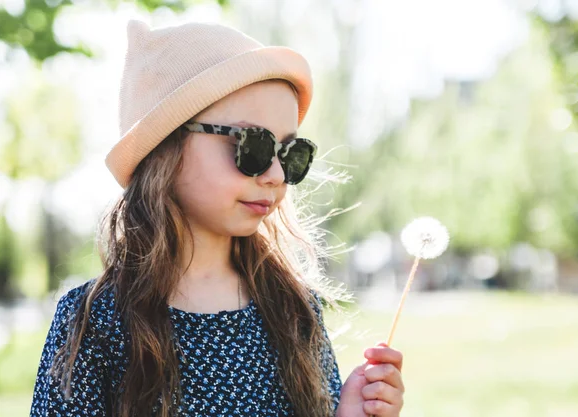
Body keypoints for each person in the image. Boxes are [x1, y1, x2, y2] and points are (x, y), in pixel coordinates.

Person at [29, 19, 405, 417]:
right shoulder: (95, 321)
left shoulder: (293, 308)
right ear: (165, 149)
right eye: (252, 145)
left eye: (291, 153)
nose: (276, 175)